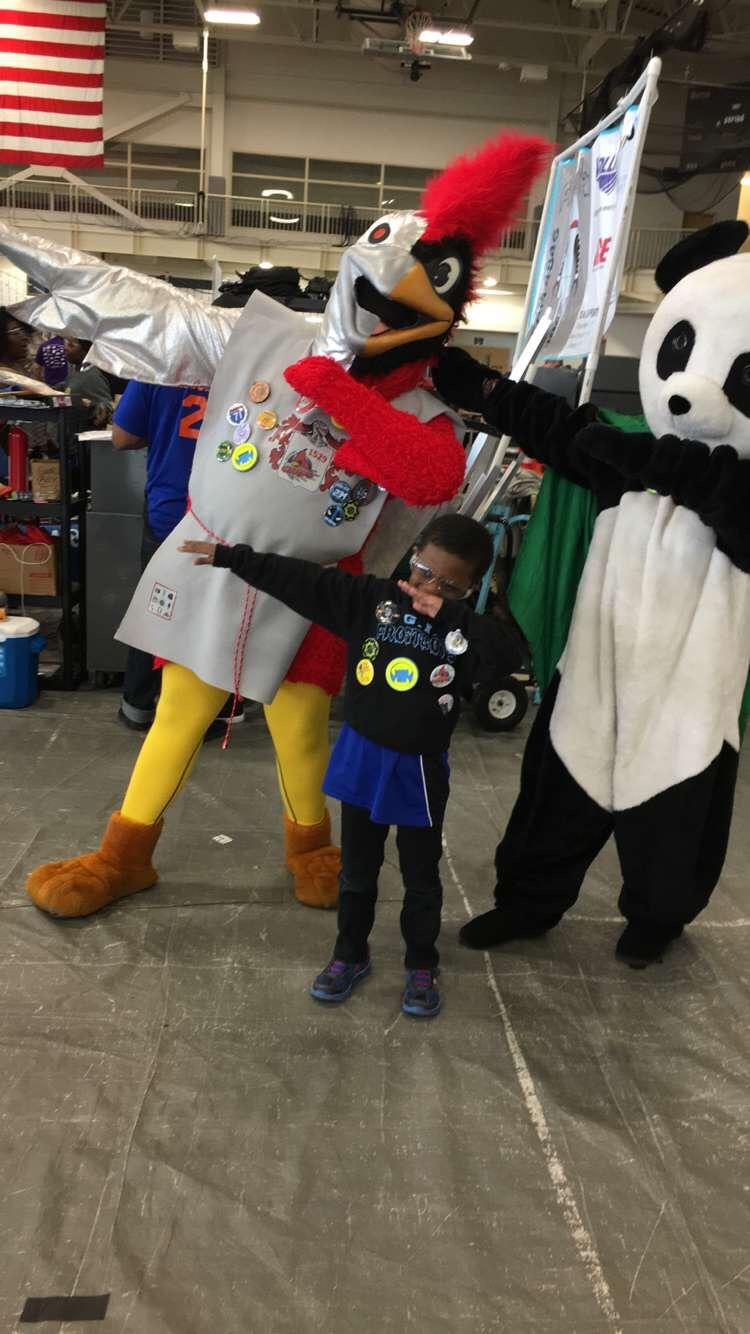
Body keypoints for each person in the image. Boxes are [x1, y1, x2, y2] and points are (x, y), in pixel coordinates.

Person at [180, 513, 522, 1017]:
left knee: (420, 877)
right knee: (357, 872)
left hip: (418, 771)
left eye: (449, 584)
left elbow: (507, 654)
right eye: (424, 571)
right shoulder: (371, 601)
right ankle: (349, 954)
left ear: (471, 587)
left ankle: (422, 963)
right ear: (413, 555)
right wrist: (233, 558)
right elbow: (302, 581)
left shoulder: (461, 631)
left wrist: (449, 615)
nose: (429, 587)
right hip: (362, 759)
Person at [63, 337, 113, 426]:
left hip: (84, 435)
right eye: (66, 344)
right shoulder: (78, 373)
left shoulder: (93, 376)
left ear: (85, 350)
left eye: (71, 345)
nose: (65, 348)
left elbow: (106, 408)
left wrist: (90, 409)